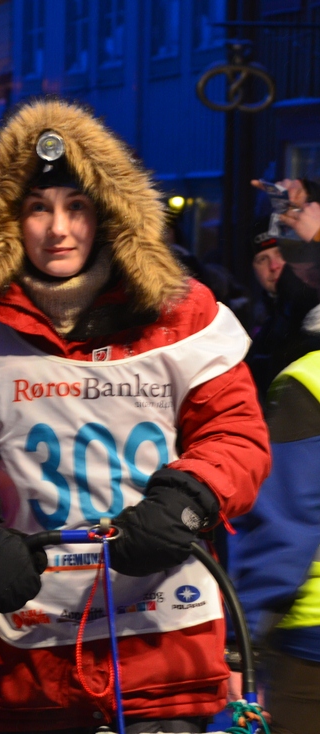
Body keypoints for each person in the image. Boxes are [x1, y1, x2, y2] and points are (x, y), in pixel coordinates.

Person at [0, 98, 270, 733]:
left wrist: (188, 500)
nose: (59, 229)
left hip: (163, 642)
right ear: (8, 219)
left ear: (107, 213)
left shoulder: (184, 313)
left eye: (77, 206)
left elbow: (235, 433)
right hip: (31, 651)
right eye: (37, 208)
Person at [232, 188, 320, 733]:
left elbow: (286, 528)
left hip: (309, 640)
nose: (281, 267)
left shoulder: (308, 379)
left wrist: (241, 636)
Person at [245, 215, 318, 403]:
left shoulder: (311, 307)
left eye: (280, 253)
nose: (274, 266)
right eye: (262, 259)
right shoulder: (259, 329)